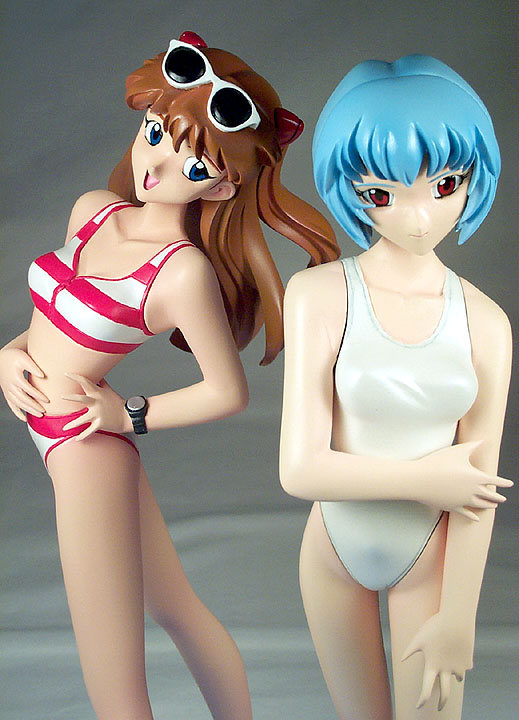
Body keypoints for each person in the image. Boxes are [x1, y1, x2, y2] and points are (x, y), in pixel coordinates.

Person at [0, 31, 338, 720]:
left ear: (222, 183)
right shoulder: (94, 209)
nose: (155, 163)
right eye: (156, 132)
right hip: (57, 428)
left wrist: (128, 415)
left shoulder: (179, 271)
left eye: (191, 162)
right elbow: (55, 316)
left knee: (114, 687)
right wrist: (9, 352)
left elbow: (228, 391)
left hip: (81, 448)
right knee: (176, 607)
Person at [279, 54, 512, 719]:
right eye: (381, 194)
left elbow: (478, 492)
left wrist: (459, 616)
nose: (419, 217)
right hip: (331, 551)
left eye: (445, 184)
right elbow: (299, 470)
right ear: (347, 189)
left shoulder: (486, 323)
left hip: (430, 560)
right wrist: (423, 479)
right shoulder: (317, 295)